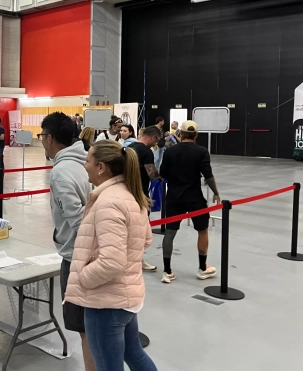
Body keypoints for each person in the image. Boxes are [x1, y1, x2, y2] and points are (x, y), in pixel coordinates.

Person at [64, 140, 157, 371]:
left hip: (106, 302)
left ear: (101, 167)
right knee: (134, 354)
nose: (84, 165)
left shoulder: (108, 202)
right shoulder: (132, 194)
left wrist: (83, 277)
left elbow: (112, 262)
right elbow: (145, 239)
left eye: (88, 160)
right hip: (125, 297)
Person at [39, 112, 96, 371]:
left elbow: (78, 224)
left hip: (77, 259)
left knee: (85, 329)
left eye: (41, 137)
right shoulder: (87, 162)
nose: (41, 141)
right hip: (92, 255)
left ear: (50, 138)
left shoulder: (61, 173)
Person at [159, 121, 221, 284]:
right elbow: (207, 175)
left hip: (174, 197)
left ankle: (167, 271)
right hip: (195, 198)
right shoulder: (201, 151)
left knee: (170, 233)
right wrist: (216, 192)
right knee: (203, 230)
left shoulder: (170, 151)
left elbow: (163, 173)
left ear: (181, 134)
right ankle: (202, 268)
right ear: (196, 135)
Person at [128, 126, 162, 273]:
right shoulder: (146, 152)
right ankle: (139, 260)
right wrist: (161, 176)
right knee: (140, 230)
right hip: (140, 194)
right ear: (153, 137)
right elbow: (152, 173)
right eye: (156, 141)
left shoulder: (129, 147)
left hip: (126, 192)